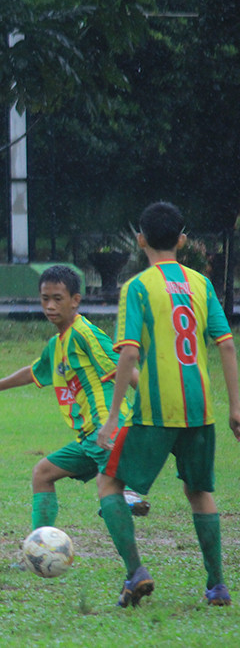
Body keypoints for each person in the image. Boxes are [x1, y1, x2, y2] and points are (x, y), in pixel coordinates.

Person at [95, 201, 240, 608]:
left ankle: (135, 572)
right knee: (200, 492)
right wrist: (235, 408)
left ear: (140, 239)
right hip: (200, 407)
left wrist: (111, 419)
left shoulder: (137, 288)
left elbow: (127, 355)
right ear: (182, 240)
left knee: (109, 485)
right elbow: (226, 344)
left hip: (156, 409)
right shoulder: (200, 284)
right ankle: (217, 586)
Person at [0, 266, 147, 541]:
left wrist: (152, 409)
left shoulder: (85, 333)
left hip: (106, 430)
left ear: (75, 300)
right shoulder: (57, 344)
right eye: (44, 298)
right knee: (43, 473)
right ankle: (39, 546)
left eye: (57, 299)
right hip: (88, 437)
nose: (50, 306)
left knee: (111, 487)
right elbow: (34, 371)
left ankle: (128, 495)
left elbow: (125, 366)